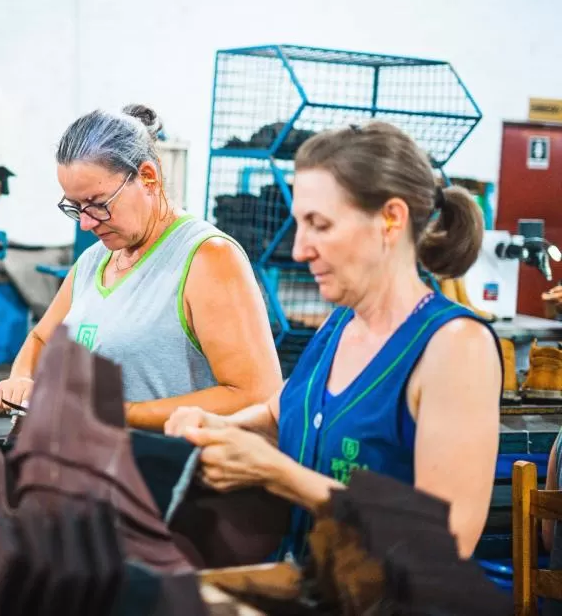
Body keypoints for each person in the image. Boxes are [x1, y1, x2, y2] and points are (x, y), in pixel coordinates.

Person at [166, 121, 502, 560]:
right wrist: (220, 428)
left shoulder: (455, 347)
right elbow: (278, 413)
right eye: (299, 225)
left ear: (391, 219)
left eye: (319, 225)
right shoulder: (341, 324)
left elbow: (448, 540)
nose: (301, 249)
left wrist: (279, 474)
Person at [0, 104, 282, 431]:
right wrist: (21, 378)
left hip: (167, 473)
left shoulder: (207, 258)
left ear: (148, 177)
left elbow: (255, 395)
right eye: (75, 208)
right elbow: (42, 339)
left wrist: (120, 413)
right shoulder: (93, 261)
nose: (86, 223)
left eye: (98, 204)